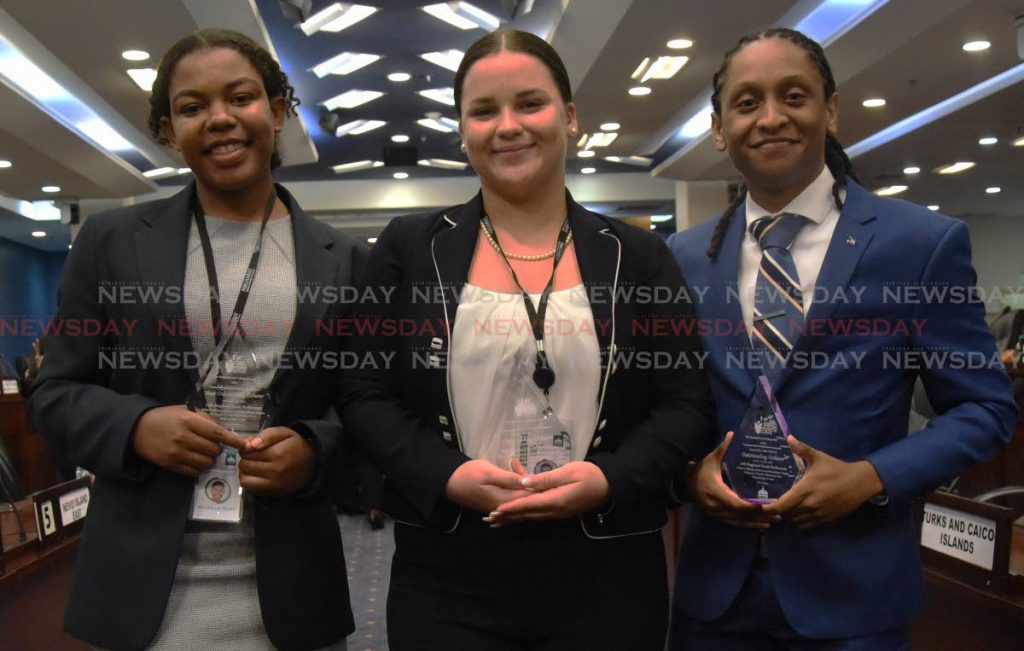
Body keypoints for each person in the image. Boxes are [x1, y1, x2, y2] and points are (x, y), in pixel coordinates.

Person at [341, 28, 713, 650]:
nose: (507, 125)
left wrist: (609, 478)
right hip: (447, 576)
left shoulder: (639, 255)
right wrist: (447, 474)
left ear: (569, 117)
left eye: (529, 104)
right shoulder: (409, 248)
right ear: (462, 132)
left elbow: (686, 403)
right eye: (483, 111)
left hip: (608, 573)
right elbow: (363, 392)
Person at [666, 28, 1017, 648]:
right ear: (720, 130)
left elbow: (984, 406)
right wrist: (688, 476)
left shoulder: (920, 244)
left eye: (793, 96)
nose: (770, 118)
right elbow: (667, 408)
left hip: (855, 600)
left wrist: (873, 477)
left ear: (830, 110)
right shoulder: (684, 257)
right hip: (714, 598)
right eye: (747, 103)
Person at [28, 29, 362, 650]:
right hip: (140, 588)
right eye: (192, 107)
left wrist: (316, 450)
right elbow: (52, 392)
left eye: (241, 97)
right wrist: (136, 426)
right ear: (166, 130)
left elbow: (365, 407)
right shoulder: (111, 242)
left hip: (292, 586)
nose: (220, 119)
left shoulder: (342, 258)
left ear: (279, 110)